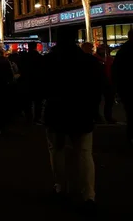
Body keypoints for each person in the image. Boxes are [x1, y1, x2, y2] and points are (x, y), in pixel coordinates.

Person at [43, 32, 105, 214]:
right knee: (84, 153)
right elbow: (97, 88)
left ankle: (61, 187)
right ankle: (89, 195)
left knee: (57, 151)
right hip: (82, 112)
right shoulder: (89, 62)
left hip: (57, 111)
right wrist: (93, 111)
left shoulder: (49, 61)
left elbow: (43, 87)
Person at [112, 29, 133, 146]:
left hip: (126, 88)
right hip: (127, 87)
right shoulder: (124, 51)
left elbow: (116, 71)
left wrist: (117, 88)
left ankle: (130, 136)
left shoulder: (122, 52)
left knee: (130, 113)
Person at [18, 42, 46, 124]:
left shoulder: (23, 58)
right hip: (38, 82)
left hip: (26, 82)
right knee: (38, 102)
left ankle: (28, 118)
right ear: (36, 47)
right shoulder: (40, 57)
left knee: (27, 102)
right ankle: (37, 118)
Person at [94, 44, 116, 124]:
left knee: (109, 100)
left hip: (108, 82)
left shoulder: (109, 59)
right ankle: (98, 117)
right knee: (97, 101)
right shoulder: (95, 59)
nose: (104, 51)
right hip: (98, 83)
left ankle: (108, 116)